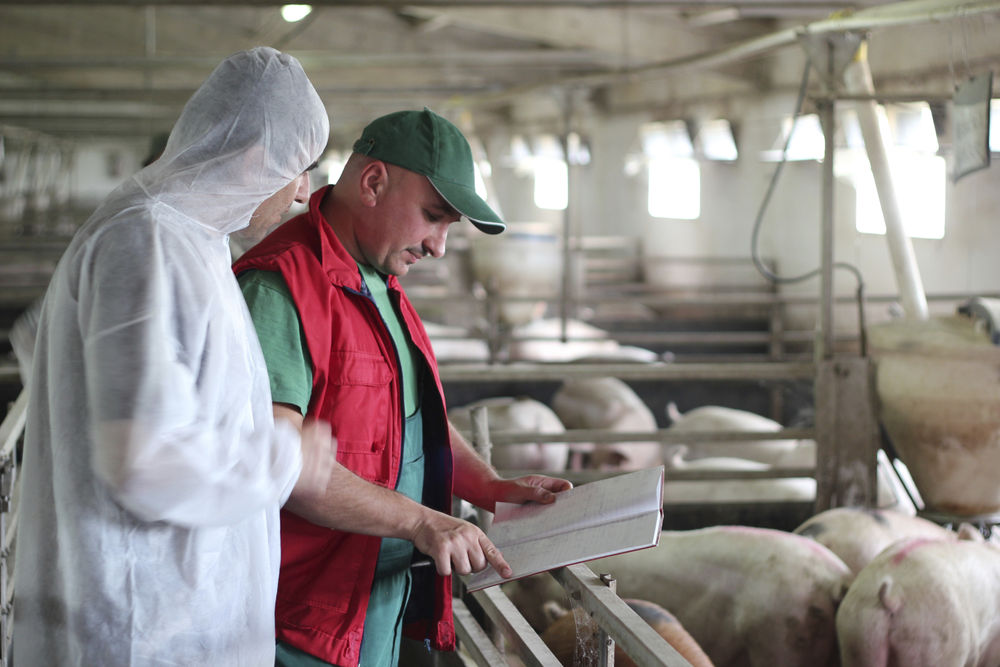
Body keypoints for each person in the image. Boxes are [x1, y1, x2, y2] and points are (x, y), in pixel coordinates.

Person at [13, 46, 337, 666]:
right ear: (253, 158)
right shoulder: (146, 241)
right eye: (300, 169)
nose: (303, 194)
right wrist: (281, 457)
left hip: (183, 612)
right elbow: (143, 461)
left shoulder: (193, 238)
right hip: (145, 624)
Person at [233, 108, 573, 667]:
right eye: (433, 217)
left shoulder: (382, 284)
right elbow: (278, 462)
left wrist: (487, 485)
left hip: (379, 604)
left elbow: (414, 423)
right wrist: (422, 520)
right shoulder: (279, 288)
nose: (438, 246)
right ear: (372, 182)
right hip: (299, 622)